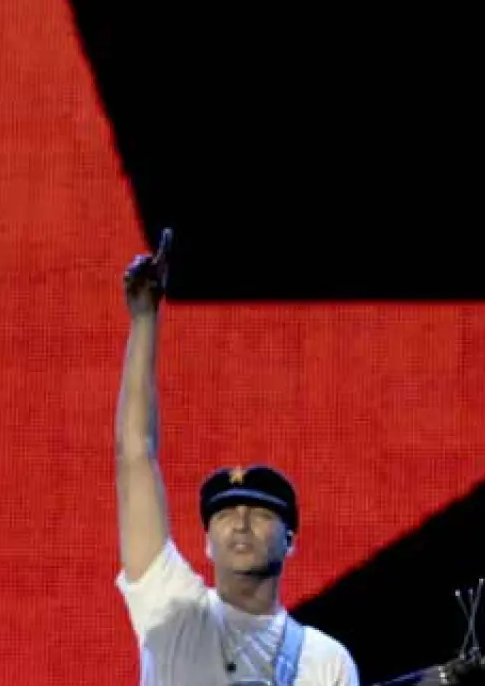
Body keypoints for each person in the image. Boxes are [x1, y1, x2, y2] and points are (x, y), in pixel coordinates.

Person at [113, 230, 360, 686]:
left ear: (291, 540)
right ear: (207, 542)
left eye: (261, 514)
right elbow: (134, 453)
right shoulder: (172, 607)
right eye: (225, 515)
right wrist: (144, 319)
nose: (241, 525)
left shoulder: (327, 660)